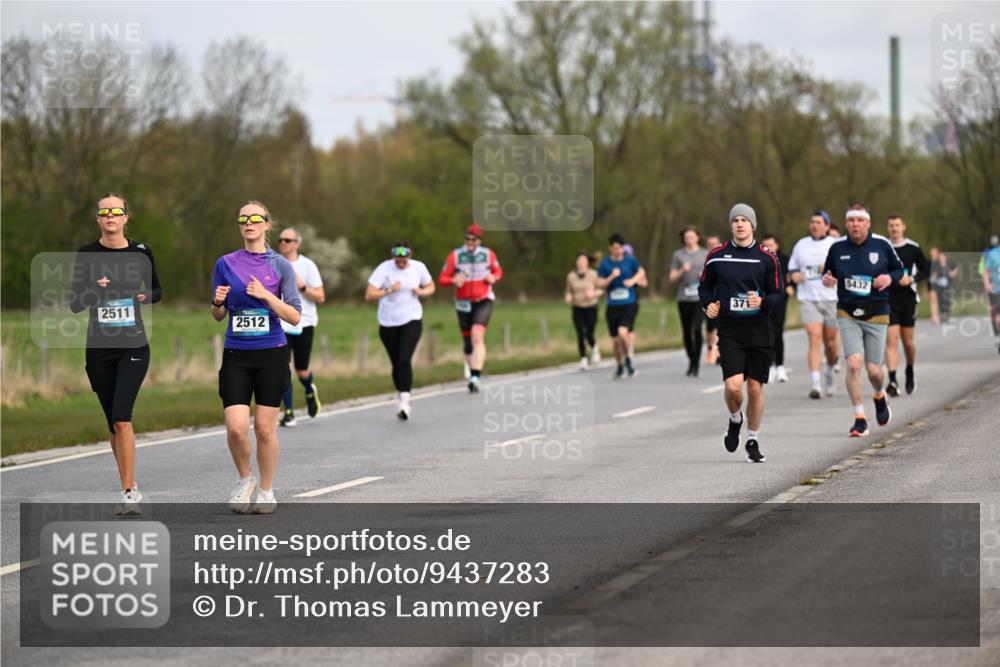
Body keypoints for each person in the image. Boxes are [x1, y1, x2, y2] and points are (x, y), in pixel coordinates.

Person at [70, 193, 161, 516]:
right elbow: (75, 303)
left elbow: (157, 291)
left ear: (126, 217)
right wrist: (97, 287)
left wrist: (143, 295)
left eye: (116, 211)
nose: (110, 216)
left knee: (123, 417)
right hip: (99, 349)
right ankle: (130, 484)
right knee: (112, 424)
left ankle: (127, 493)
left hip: (134, 346)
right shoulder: (87, 254)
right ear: (98, 219)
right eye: (104, 212)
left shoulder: (141, 252)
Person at [212, 201, 301, 514]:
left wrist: (266, 296)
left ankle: (266, 489)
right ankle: (245, 479)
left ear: (267, 224)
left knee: (264, 429)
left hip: (271, 354)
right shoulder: (225, 263)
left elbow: (294, 316)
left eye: (255, 219)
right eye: (243, 219)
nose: (248, 223)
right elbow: (218, 315)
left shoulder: (281, 266)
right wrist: (217, 302)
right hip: (236, 354)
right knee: (236, 427)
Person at [699, 204, 783, 463]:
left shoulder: (767, 258)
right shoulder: (716, 256)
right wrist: (709, 305)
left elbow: (779, 295)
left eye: (744, 220)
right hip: (730, 329)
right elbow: (704, 288)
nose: (739, 224)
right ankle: (735, 418)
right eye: (735, 220)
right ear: (731, 225)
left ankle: (752, 440)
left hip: (759, 330)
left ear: (752, 225)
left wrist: (764, 302)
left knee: (755, 389)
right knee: (734, 388)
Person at [821, 203, 904, 437]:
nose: (855, 224)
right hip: (847, 312)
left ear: (868, 223)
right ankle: (859, 418)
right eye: (851, 220)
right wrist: (826, 279)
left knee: (874, 371)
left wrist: (889, 277)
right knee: (854, 364)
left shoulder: (882, 245)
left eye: (860, 220)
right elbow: (828, 273)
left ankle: (879, 395)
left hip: (877, 311)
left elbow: (900, 271)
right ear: (846, 223)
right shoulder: (837, 248)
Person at [366, 242, 436, 418]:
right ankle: (401, 394)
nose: (401, 264)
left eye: (404, 260)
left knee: (405, 359)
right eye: (398, 260)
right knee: (396, 362)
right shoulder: (384, 268)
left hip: (412, 319)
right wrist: (389, 290)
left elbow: (431, 286)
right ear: (393, 257)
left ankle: (405, 402)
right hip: (388, 322)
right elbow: (369, 295)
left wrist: (421, 291)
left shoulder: (419, 267)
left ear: (409, 256)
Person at [439, 223, 503, 393]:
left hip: (483, 300)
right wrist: (453, 280)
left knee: (477, 335)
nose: (470, 242)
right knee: (467, 342)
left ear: (479, 241)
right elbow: (442, 278)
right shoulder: (455, 256)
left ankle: (475, 376)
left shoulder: (488, 254)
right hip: (463, 302)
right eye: (467, 238)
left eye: (473, 239)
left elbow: (498, 272)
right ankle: (471, 369)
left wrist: (493, 278)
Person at [787, 210, 841, 399]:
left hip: (831, 299)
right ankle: (816, 383)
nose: (814, 225)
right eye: (812, 222)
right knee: (814, 338)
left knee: (831, 342)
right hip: (808, 298)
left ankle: (830, 369)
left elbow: (845, 268)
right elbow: (792, 267)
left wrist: (831, 272)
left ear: (827, 225)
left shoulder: (835, 244)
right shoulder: (801, 245)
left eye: (819, 222)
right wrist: (794, 275)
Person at [276, 227, 326, 426]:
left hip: (304, 322)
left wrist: (302, 286)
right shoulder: (274, 263)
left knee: (301, 370)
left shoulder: (308, 265)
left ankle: (309, 389)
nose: (283, 243)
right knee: (282, 369)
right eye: (280, 240)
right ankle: (288, 411)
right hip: (281, 323)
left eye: (287, 240)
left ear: (297, 243)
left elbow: (321, 297)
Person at [884, 214, 929, 396]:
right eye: (891, 225)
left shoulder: (913, 248)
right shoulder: (884, 247)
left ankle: (909, 370)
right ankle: (893, 380)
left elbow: (926, 269)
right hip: (889, 299)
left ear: (903, 227)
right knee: (891, 338)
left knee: (907, 342)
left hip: (908, 298)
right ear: (888, 228)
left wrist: (911, 279)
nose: (894, 228)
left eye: (897, 225)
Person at [597, 234, 646, 379]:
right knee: (616, 341)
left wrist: (632, 281)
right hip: (612, 305)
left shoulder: (630, 260)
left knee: (623, 333)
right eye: (614, 248)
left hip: (628, 304)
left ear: (622, 248)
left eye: (619, 248)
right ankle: (619, 365)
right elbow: (599, 284)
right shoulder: (605, 264)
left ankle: (629, 358)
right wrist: (611, 276)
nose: (617, 251)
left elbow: (642, 272)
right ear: (610, 248)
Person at [669, 227, 709, 377]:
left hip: (700, 298)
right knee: (687, 331)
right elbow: (672, 278)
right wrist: (682, 271)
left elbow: (714, 276)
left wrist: (704, 275)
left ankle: (696, 364)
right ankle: (691, 360)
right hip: (684, 298)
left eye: (692, 237)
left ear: (698, 237)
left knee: (697, 329)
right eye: (686, 237)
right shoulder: (678, 255)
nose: (689, 240)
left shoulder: (705, 254)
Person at [761, 233, 792, 383]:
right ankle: (769, 365)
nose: (769, 248)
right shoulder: (760, 259)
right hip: (763, 299)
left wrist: (792, 286)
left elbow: (792, 275)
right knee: (766, 332)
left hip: (780, 298)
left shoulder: (785, 259)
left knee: (778, 332)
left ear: (777, 245)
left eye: (771, 245)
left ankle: (780, 366)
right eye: (765, 246)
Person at [565, 251, 602, 371]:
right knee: (580, 333)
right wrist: (568, 296)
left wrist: (593, 294)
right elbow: (568, 290)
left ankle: (594, 348)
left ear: (587, 262)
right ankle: (583, 358)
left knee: (589, 333)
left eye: (583, 260)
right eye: (579, 260)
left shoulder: (593, 274)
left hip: (591, 307)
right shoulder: (571, 276)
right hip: (577, 307)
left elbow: (600, 290)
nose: (580, 262)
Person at [703, 234, 723, 366]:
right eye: (709, 244)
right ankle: (710, 347)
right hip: (708, 294)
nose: (712, 246)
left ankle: (718, 350)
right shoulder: (704, 258)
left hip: (721, 293)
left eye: (714, 243)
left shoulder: (724, 256)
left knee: (718, 324)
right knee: (710, 326)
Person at [928, 247, 958, 324]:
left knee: (946, 300)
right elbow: (932, 275)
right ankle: (935, 316)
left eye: (943, 257)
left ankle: (946, 314)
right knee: (936, 299)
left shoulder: (950, 263)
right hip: (937, 286)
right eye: (940, 257)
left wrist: (945, 266)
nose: (941, 258)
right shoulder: (935, 264)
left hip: (947, 286)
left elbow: (953, 274)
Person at [982, 235, 1000, 354]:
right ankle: (998, 335)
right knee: (997, 316)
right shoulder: (991, 254)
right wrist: (987, 283)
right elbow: (985, 270)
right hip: (997, 290)